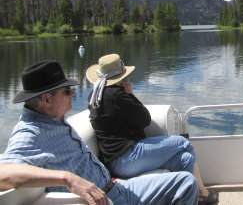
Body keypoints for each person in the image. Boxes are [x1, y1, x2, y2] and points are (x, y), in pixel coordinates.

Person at [0, 60, 199, 205]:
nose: (73, 94)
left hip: (116, 186)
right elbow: (3, 173)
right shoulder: (30, 133)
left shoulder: (55, 119)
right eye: (66, 91)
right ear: (46, 99)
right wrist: (67, 179)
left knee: (186, 182)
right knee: (183, 154)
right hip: (107, 199)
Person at [86, 54, 218, 204]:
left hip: (118, 160)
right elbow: (145, 118)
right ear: (120, 77)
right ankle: (202, 193)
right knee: (183, 143)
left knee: (185, 159)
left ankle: (188, 197)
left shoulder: (96, 95)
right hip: (127, 158)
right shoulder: (116, 96)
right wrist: (131, 95)